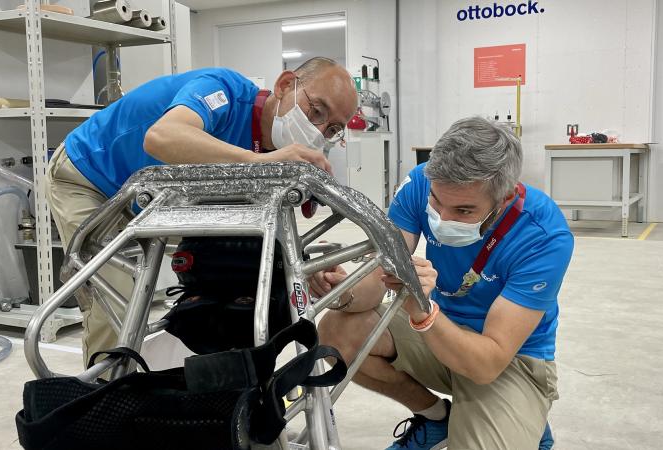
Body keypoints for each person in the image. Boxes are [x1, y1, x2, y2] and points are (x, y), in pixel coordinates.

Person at [45, 57, 358, 365]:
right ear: (285, 84)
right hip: (91, 177)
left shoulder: (276, 152)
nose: (317, 131)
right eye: (316, 111)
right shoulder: (224, 91)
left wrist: (301, 266)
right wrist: (259, 163)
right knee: (115, 299)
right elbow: (161, 137)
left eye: (331, 130)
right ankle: (105, 402)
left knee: (251, 287)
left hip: (150, 199)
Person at [312, 116, 573, 449]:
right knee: (338, 332)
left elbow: (486, 364)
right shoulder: (422, 182)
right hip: (441, 333)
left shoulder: (543, 236)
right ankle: (438, 419)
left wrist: (423, 312)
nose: (443, 219)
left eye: (464, 211)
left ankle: (522, 414)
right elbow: (377, 280)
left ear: (504, 199)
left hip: (508, 360)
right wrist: (340, 290)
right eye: (437, 203)